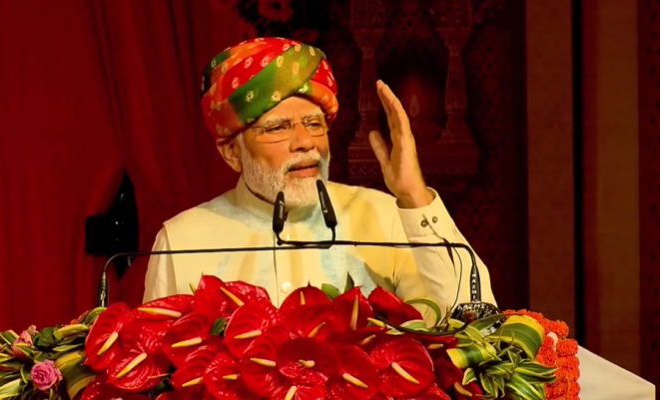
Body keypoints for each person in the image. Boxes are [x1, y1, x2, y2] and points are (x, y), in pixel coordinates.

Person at [143, 37, 496, 322]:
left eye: (314, 124)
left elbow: (474, 323)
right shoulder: (181, 241)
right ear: (232, 152)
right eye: (278, 128)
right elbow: (154, 373)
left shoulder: (386, 216)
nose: (305, 142)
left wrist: (415, 197)